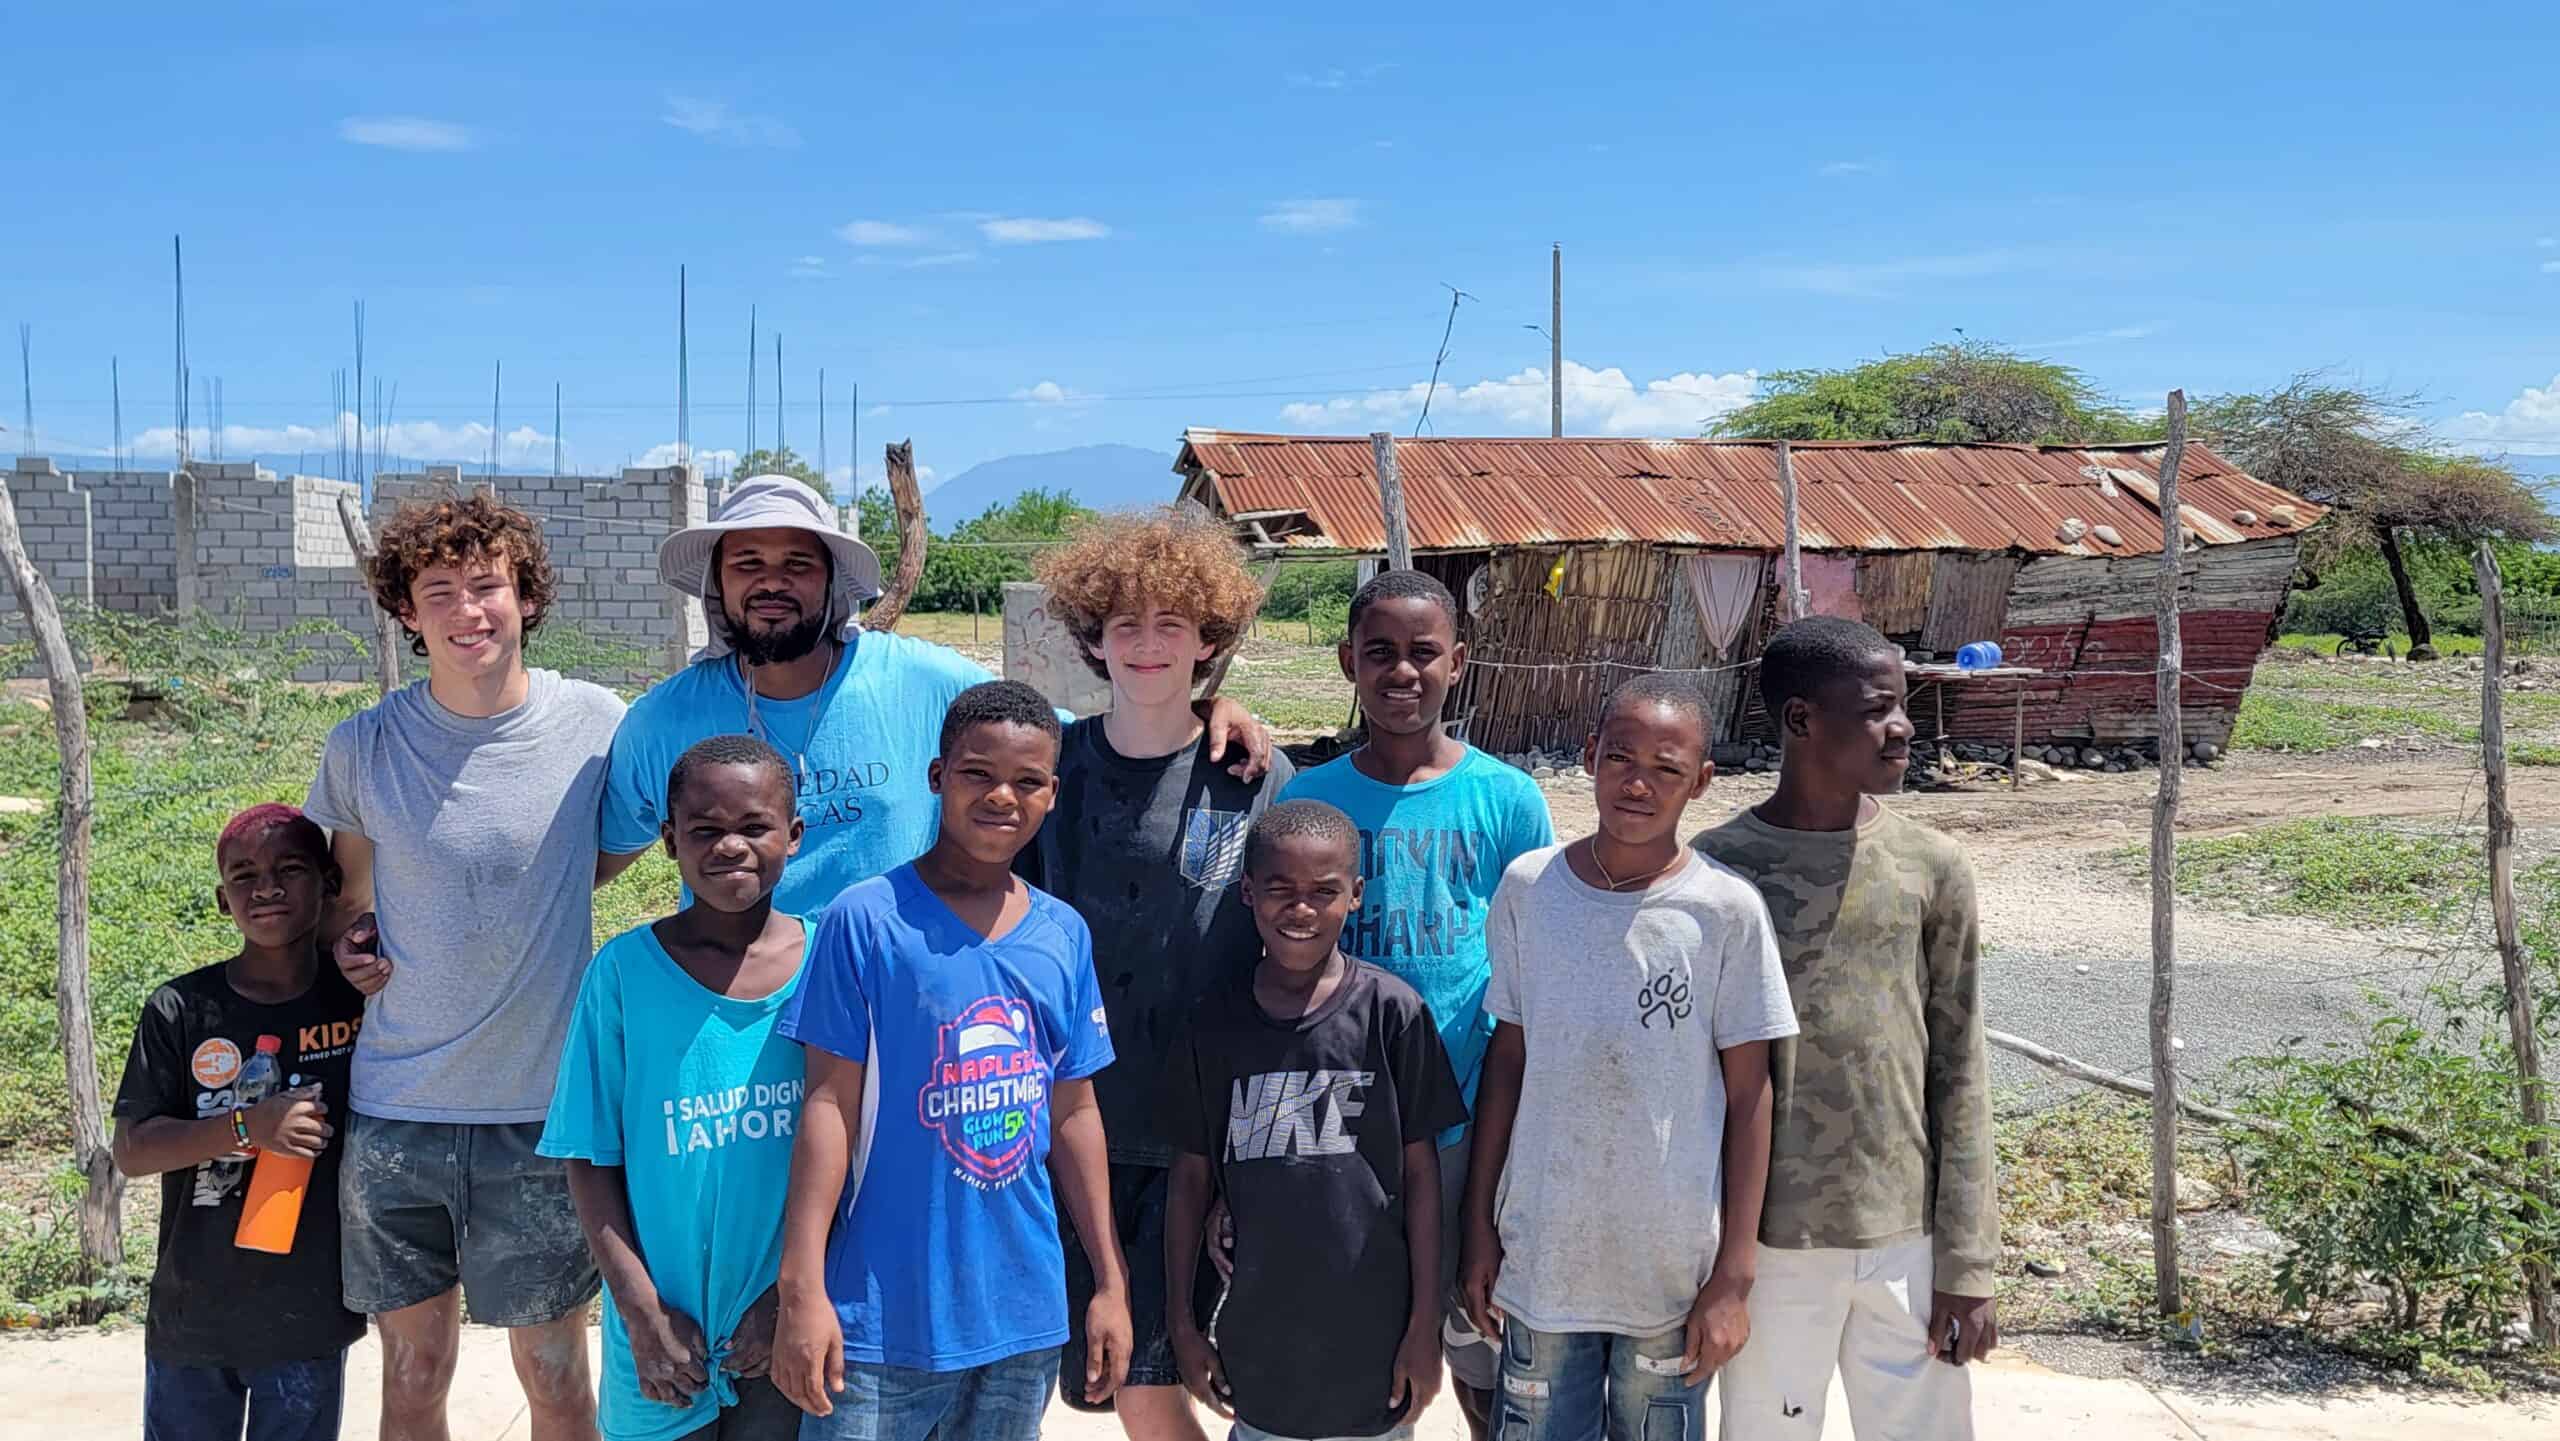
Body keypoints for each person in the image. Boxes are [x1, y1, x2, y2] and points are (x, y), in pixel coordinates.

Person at [308, 491, 623, 1441]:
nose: (465, 610)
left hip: (540, 1112)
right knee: (413, 1370)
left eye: (486, 585)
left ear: (527, 596)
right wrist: (347, 945)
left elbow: (605, 856)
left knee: (559, 1374)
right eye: (436, 589)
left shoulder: (598, 727)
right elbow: (347, 899)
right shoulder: (363, 746)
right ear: (405, 611)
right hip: (399, 1109)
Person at [598, 475, 1273, 915]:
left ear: (832, 580)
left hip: (903, 1018)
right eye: (748, 563)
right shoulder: (664, 721)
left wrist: (1200, 708)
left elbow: (1075, 741)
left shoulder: (920, 682)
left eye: (797, 563)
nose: (771, 582)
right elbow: (591, 862)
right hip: (736, 1027)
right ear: (717, 582)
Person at [770, 680, 1128, 1441]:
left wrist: (1108, 1279)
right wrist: (802, 1281)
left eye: (1027, 780)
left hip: (1022, 1313)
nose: (1002, 796)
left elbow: (1074, 1111)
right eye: (978, 773)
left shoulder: (1063, 934)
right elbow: (828, 1106)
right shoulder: (865, 919)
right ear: (937, 777)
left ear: (1053, 794)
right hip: (879, 1315)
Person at [1458, 674, 1796, 1441]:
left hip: (1669, 1276)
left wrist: (1733, 1274)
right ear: (1589, 756)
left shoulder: (1724, 911)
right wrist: (1480, 1224)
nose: (1638, 783)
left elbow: (1750, 1096)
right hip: (1543, 1258)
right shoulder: (1529, 888)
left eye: (1667, 768)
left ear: (1703, 780)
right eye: (1620, 757)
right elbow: (1507, 1060)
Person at [1021, 507, 1294, 1441]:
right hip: (1076, 1128)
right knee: (1105, 1379)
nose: (1146, 644)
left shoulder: (1253, 774)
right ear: (1091, 636)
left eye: (1172, 623)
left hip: (1204, 1136)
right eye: (1125, 623)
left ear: (1210, 638)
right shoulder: (1050, 773)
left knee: (1160, 1379)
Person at [1691, 616, 1997, 1440]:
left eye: (1901, 706)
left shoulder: (1931, 867)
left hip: (1906, 1238)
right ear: (1800, 721)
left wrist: (1967, 1262)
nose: (1901, 728)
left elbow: (1960, 1068)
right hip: (1768, 1245)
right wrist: (1720, 1258)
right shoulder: (1720, 871)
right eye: (1875, 709)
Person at [1278, 569, 1553, 1436]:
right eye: (1380, 652)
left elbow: (1531, 970)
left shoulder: (1506, 800)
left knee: (1484, 1354)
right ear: (1347, 661)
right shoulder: (1308, 798)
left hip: (1474, 1122)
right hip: (1347, 1123)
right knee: (1367, 1359)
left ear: (1459, 661)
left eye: (1424, 653)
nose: (1403, 672)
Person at [1161, 799, 1467, 1441]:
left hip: (1375, 1353)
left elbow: (1421, 1179)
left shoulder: (1393, 1014)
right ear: (1247, 892)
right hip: (1261, 1357)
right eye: (1280, 890)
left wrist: (1423, 1328)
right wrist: (1184, 1328)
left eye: (1323, 892)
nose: (1300, 911)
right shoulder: (1213, 1025)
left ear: (1355, 895)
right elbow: (1190, 1180)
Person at [539, 734, 812, 1441]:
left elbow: (854, 1154)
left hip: (782, 1327)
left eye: (754, 826)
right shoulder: (623, 975)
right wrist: (641, 1313)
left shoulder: (827, 964)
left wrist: (788, 1295)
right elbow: (589, 1157)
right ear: (668, 840)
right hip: (661, 1340)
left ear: (795, 833)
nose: (731, 846)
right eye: (705, 829)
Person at [112, 804, 367, 1441]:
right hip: (195, 1311)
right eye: (244, 875)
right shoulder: (181, 1009)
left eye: (290, 869)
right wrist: (247, 1128)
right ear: (223, 901)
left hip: (307, 1313)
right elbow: (133, 1149)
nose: (268, 888)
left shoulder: (362, 999)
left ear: (329, 884)